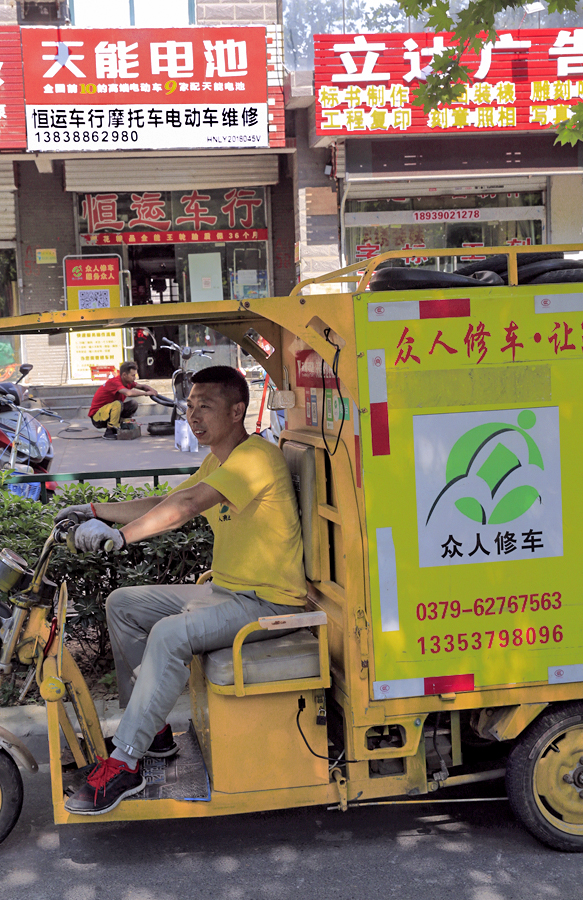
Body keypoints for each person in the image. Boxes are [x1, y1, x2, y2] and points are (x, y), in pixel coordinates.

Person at [56, 366, 307, 815]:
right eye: (189, 406)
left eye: (204, 406)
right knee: (124, 604)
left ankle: (126, 763)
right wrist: (94, 508)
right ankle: (150, 733)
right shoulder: (220, 460)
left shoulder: (255, 459)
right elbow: (167, 502)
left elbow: (188, 507)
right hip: (229, 593)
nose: (192, 416)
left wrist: (121, 537)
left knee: (170, 634)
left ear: (236, 411)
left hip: (268, 602)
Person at [88, 361, 158, 440]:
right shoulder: (115, 382)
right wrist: (146, 393)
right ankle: (110, 431)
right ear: (124, 375)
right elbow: (128, 393)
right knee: (118, 404)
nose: (134, 377)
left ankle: (123, 426)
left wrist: (153, 391)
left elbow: (142, 386)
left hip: (109, 412)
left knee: (133, 404)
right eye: (133, 375)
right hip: (97, 417)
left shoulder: (128, 382)